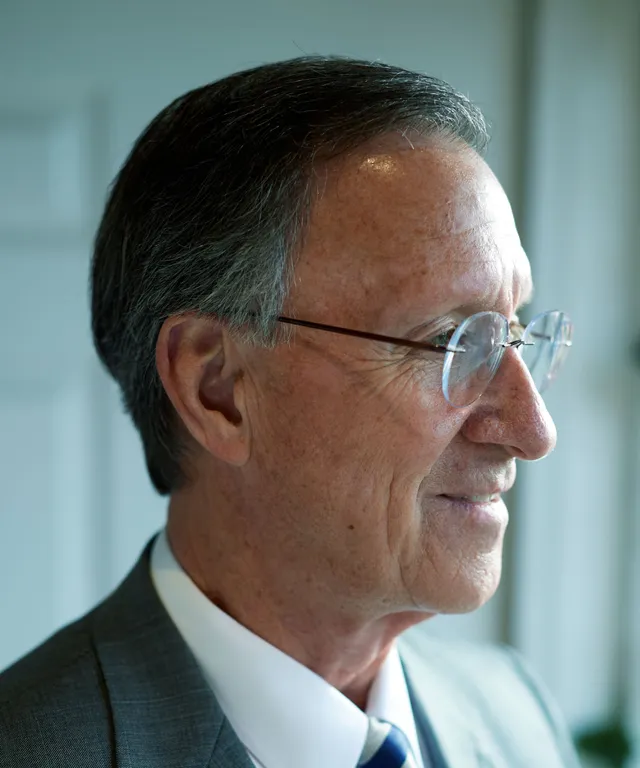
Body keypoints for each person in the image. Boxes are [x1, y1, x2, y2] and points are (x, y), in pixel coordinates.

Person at [0, 56, 578, 767]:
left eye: (515, 332)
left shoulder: (519, 717)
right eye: (449, 341)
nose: (532, 430)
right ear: (218, 387)